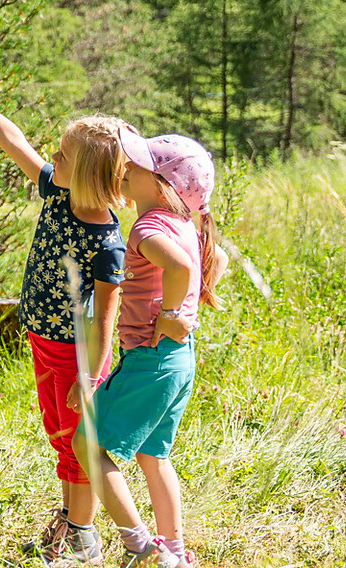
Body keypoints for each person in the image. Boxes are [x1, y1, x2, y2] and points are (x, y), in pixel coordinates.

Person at [0, 71, 135, 565]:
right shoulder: (57, 192)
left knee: (78, 442)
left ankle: (83, 536)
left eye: (65, 155)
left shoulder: (108, 246)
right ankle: (69, 526)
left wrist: (92, 378)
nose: (54, 159)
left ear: (89, 172)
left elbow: (105, 322)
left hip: (76, 354)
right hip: (42, 338)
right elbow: (16, 143)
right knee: (58, 435)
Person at [73, 133, 227, 568]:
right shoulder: (185, 224)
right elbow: (218, 262)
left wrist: (173, 311)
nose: (124, 168)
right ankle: (176, 552)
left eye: (135, 166)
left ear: (162, 185)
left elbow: (178, 266)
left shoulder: (147, 227)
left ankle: (142, 545)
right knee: (153, 455)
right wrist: (186, 312)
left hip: (151, 357)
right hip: (180, 358)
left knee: (89, 444)